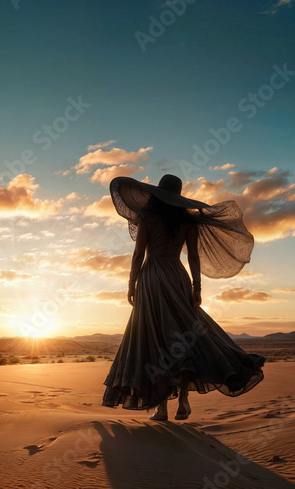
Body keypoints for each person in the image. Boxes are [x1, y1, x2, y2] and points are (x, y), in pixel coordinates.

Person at [101, 174, 266, 421]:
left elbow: (138, 255)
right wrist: (197, 287)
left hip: (152, 278)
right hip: (177, 277)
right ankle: (184, 401)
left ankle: (162, 408)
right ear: (178, 197)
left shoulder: (147, 218)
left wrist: (131, 283)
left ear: (157, 194)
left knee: (155, 339)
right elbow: (193, 258)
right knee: (183, 336)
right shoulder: (188, 222)